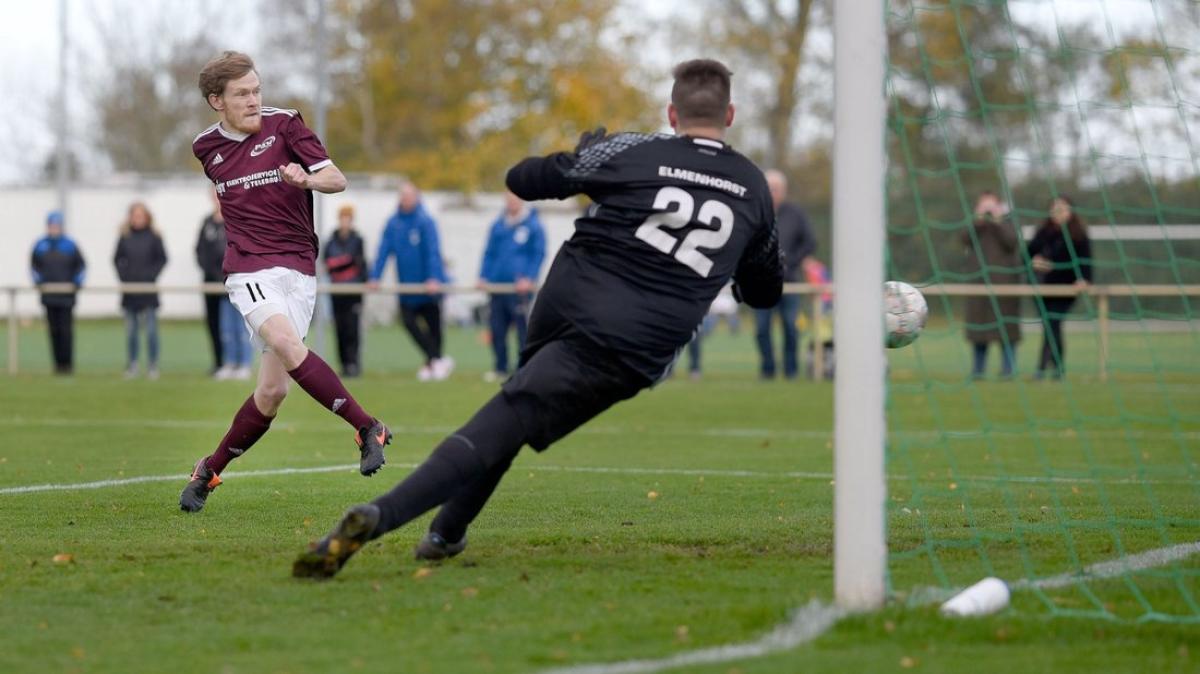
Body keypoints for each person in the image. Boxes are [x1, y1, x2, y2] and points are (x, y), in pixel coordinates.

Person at [294, 58, 783, 579]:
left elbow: (523, 180)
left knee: (515, 411)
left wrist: (585, 156)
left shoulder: (638, 149)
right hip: (633, 341)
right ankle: (383, 515)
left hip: (568, 295)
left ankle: (446, 533)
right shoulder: (752, 185)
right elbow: (765, 291)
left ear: (671, 111)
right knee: (513, 416)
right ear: (730, 114)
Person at [182, 50, 391, 512]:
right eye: (241, 94)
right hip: (249, 268)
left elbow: (336, 178)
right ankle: (366, 427)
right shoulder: (205, 148)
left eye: (256, 90)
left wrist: (307, 181)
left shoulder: (287, 126)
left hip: (298, 268)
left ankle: (208, 471)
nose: (254, 100)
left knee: (273, 392)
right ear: (217, 101)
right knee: (285, 342)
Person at [369, 182, 453, 381]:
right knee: (409, 323)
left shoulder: (426, 221)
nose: (405, 200)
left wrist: (434, 277)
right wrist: (375, 277)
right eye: (403, 196)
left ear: (417, 198)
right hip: (407, 288)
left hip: (428, 288)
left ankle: (434, 362)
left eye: (409, 196)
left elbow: (433, 252)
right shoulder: (393, 223)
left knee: (434, 328)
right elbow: (383, 251)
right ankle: (436, 360)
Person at [478, 191, 546, 380]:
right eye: (508, 199)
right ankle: (500, 368)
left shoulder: (533, 226)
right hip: (498, 287)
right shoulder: (498, 225)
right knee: (497, 330)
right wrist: (483, 276)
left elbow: (538, 254)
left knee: (523, 331)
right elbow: (489, 253)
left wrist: (529, 278)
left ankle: (523, 369)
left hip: (519, 290)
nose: (511, 203)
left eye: (515, 199)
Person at [755, 169, 815, 380]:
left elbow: (809, 242)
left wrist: (791, 262)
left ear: (784, 190)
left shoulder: (795, 213)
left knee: (790, 327)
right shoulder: (754, 211)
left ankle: (791, 371)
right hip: (760, 283)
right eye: (768, 188)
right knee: (762, 329)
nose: (772, 193)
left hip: (789, 283)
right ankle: (767, 370)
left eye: (776, 189)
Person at [1028, 195, 1092, 380]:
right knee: (1050, 326)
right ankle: (1055, 370)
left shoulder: (1078, 235)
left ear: (1070, 211)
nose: (1059, 212)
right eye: (1055, 208)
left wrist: (1084, 279)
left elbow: (1086, 261)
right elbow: (1028, 254)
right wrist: (1036, 261)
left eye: (1063, 208)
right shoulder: (1043, 233)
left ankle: (1044, 369)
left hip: (1066, 289)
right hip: (1043, 288)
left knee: (1053, 324)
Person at [962, 191, 1022, 379]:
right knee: (978, 332)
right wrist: (978, 220)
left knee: (1007, 332)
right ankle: (978, 371)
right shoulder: (976, 227)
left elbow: (1012, 243)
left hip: (1005, 288)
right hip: (979, 288)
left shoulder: (1008, 224)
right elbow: (964, 239)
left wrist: (998, 221)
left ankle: (1008, 370)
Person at [113, 201, 168, 380]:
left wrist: (151, 275)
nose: (137, 219)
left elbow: (162, 259)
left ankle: (152, 365)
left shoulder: (154, 236)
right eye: (134, 216)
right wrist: (125, 277)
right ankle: (133, 365)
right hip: (130, 292)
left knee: (151, 331)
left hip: (148, 291)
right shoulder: (125, 236)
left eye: (140, 216)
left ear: (146, 217)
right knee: (131, 332)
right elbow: (117, 259)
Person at [30, 210, 85, 375]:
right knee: (53, 331)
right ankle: (57, 365)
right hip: (48, 296)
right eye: (51, 225)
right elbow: (33, 267)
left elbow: (81, 267)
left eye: (56, 225)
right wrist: (39, 282)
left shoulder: (70, 245)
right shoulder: (40, 245)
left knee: (66, 331)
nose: (54, 228)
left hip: (67, 297)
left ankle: (68, 365)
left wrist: (76, 283)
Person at [324, 204, 368, 377]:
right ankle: (344, 364)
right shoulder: (331, 241)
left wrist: (341, 264)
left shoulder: (358, 240)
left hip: (353, 293)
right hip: (337, 293)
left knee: (353, 329)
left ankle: (354, 364)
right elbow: (330, 264)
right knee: (340, 329)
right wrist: (345, 263)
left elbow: (359, 265)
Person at [195, 188, 226, 374]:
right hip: (210, 282)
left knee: (234, 326)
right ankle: (219, 363)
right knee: (213, 324)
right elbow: (200, 251)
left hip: (232, 281)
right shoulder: (207, 223)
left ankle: (238, 363)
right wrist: (210, 272)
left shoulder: (236, 219)